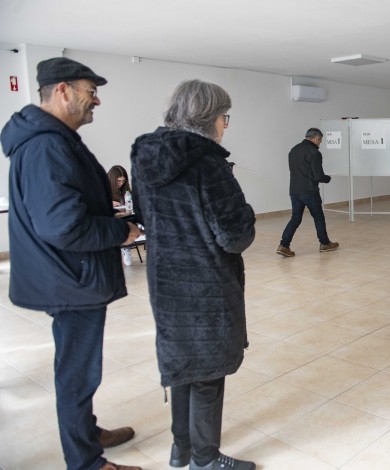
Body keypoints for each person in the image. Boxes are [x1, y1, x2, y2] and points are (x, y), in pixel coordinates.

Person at [0, 57, 142, 470]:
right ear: (61, 90)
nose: (95, 100)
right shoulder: (47, 144)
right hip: (68, 279)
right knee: (78, 373)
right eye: (89, 91)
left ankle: (85, 431)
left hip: (65, 274)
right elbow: (62, 226)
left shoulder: (51, 139)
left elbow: (64, 211)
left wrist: (108, 217)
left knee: (78, 368)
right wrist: (121, 233)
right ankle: (86, 462)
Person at [131, 79, 256, 470]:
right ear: (208, 119)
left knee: (182, 365)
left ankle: (180, 448)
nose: (226, 125)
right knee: (208, 371)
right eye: (224, 116)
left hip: (165, 279)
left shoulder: (143, 156)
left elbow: (145, 215)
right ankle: (205, 458)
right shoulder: (208, 163)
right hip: (206, 285)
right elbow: (235, 235)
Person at [276, 128, 338, 257]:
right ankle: (325, 243)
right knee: (318, 217)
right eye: (320, 140)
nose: (320, 143)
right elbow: (318, 176)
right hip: (309, 191)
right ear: (315, 138)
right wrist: (328, 178)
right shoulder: (314, 153)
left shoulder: (293, 150)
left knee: (295, 218)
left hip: (294, 190)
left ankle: (284, 245)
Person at [108, 165, 136, 266]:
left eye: (123, 181)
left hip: (124, 215)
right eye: (118, 181)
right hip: (110, 218)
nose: (121, 183)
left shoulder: (125, 189)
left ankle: (126, 248)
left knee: (130, 221)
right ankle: (123, 248)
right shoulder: (103, 187)